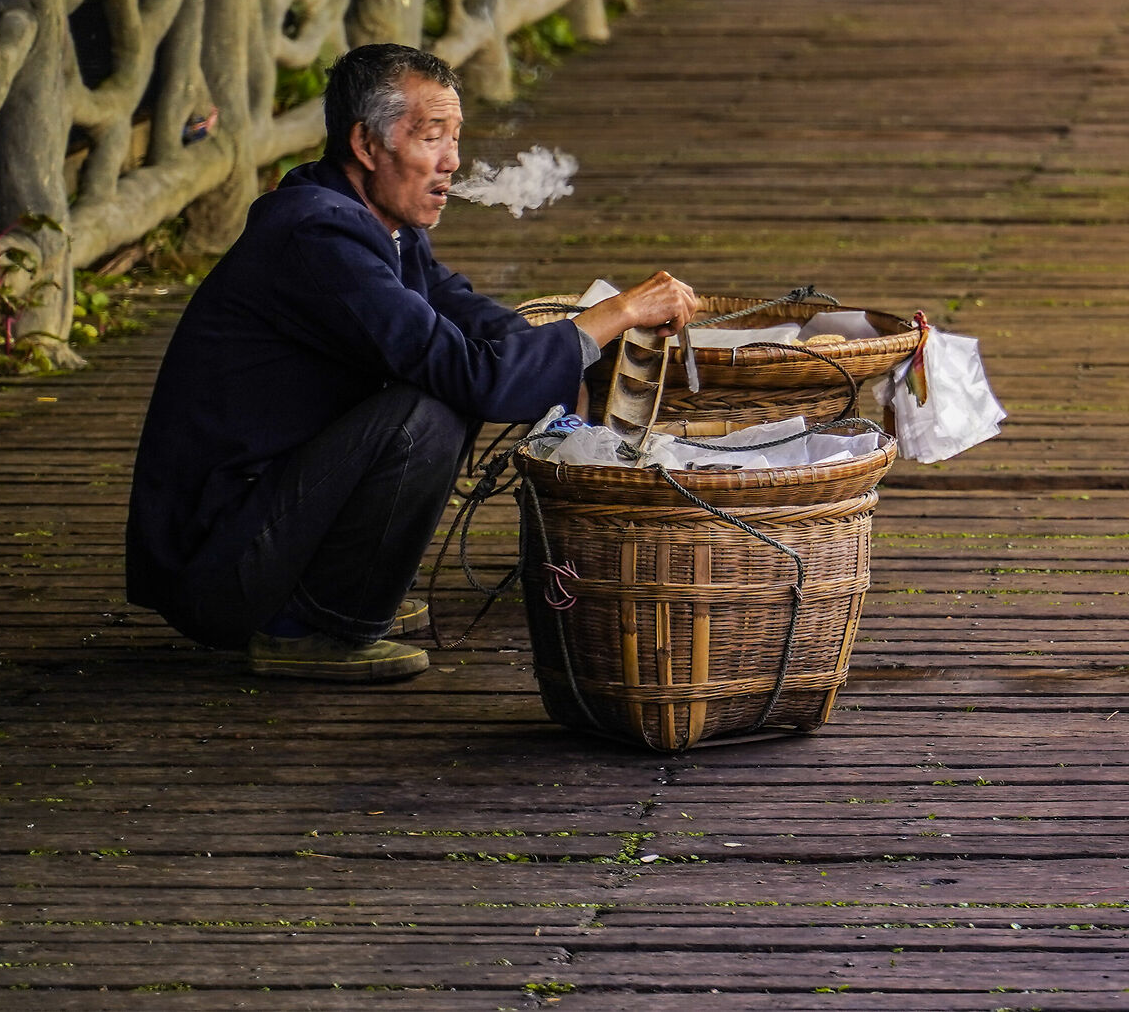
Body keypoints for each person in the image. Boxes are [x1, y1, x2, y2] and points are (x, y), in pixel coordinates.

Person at [124, 44, 699, 683]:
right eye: (431, 137)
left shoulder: (379, 225)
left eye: (456, 138)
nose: (452, 162)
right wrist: (612, 315)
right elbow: (470, 375)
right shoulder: (319, 238)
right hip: (221, 569)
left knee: (447, 383)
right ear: (367, 145)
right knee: (430, 407)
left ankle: (326, 593)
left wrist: (569, 367)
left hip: (257, 532)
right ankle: (307, 623)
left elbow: (473, 318)